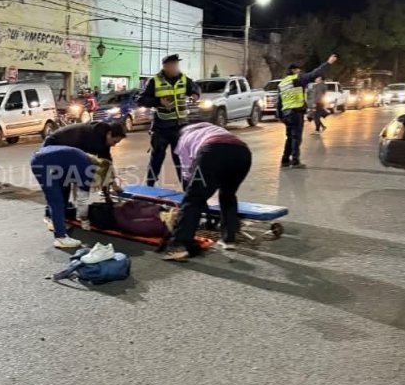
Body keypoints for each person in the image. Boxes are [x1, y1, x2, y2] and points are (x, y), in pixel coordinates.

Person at [162, 123, 252, 261]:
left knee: (193, 200)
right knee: (228, 194)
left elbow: (187, 173)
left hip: (212, 151)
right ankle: (229, 240)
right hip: (242, 153)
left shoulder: (182, 139)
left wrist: (190, 195)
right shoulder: (211, 128)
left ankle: (180, 246)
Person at [41, 121, 127, 230]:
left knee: (70, 180)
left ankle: (61, 212)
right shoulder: (94, 139)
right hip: (53, 145)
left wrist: (113, 185)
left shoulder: (103, 136)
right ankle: (50, 216)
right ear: (109, 134)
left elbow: (107, 163)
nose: (114, 145)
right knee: (63, 181)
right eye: (114, 141)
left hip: (67, 149)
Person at [137, 54, 201, 187]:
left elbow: (195, 88)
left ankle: (186, 189)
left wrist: (195, 94)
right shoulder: (155, 81)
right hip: (161, 127)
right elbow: (141, 100)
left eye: (176, 64)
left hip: (180, 127)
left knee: (181, 160)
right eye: (173, 65)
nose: (176, 67)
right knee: (156, 159)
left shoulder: (184, 79)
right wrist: (158, 101)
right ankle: (150, 187)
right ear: (165, 67)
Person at [30, 145, 112, 249]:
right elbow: (82, 200)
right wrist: (84, 220)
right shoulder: (86, 170)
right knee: (56, 200)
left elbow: (75, 190)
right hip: (43, 164)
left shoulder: (86, 159)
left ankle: (55, 222)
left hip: (43, 157)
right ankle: (61, 238)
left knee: (61, 191)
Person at [277, 54, 338, 168]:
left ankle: (285, 160)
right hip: (295, 112)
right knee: (296, 137)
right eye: (298, 69)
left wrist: (279, 115)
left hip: (286, 113)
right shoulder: (297, 80)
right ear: (294, 70)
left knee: (289, 137)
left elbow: (279, 101)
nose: (299, 71)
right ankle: (295, 161)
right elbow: (315, 73)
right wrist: (328, 63)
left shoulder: (282, 83)